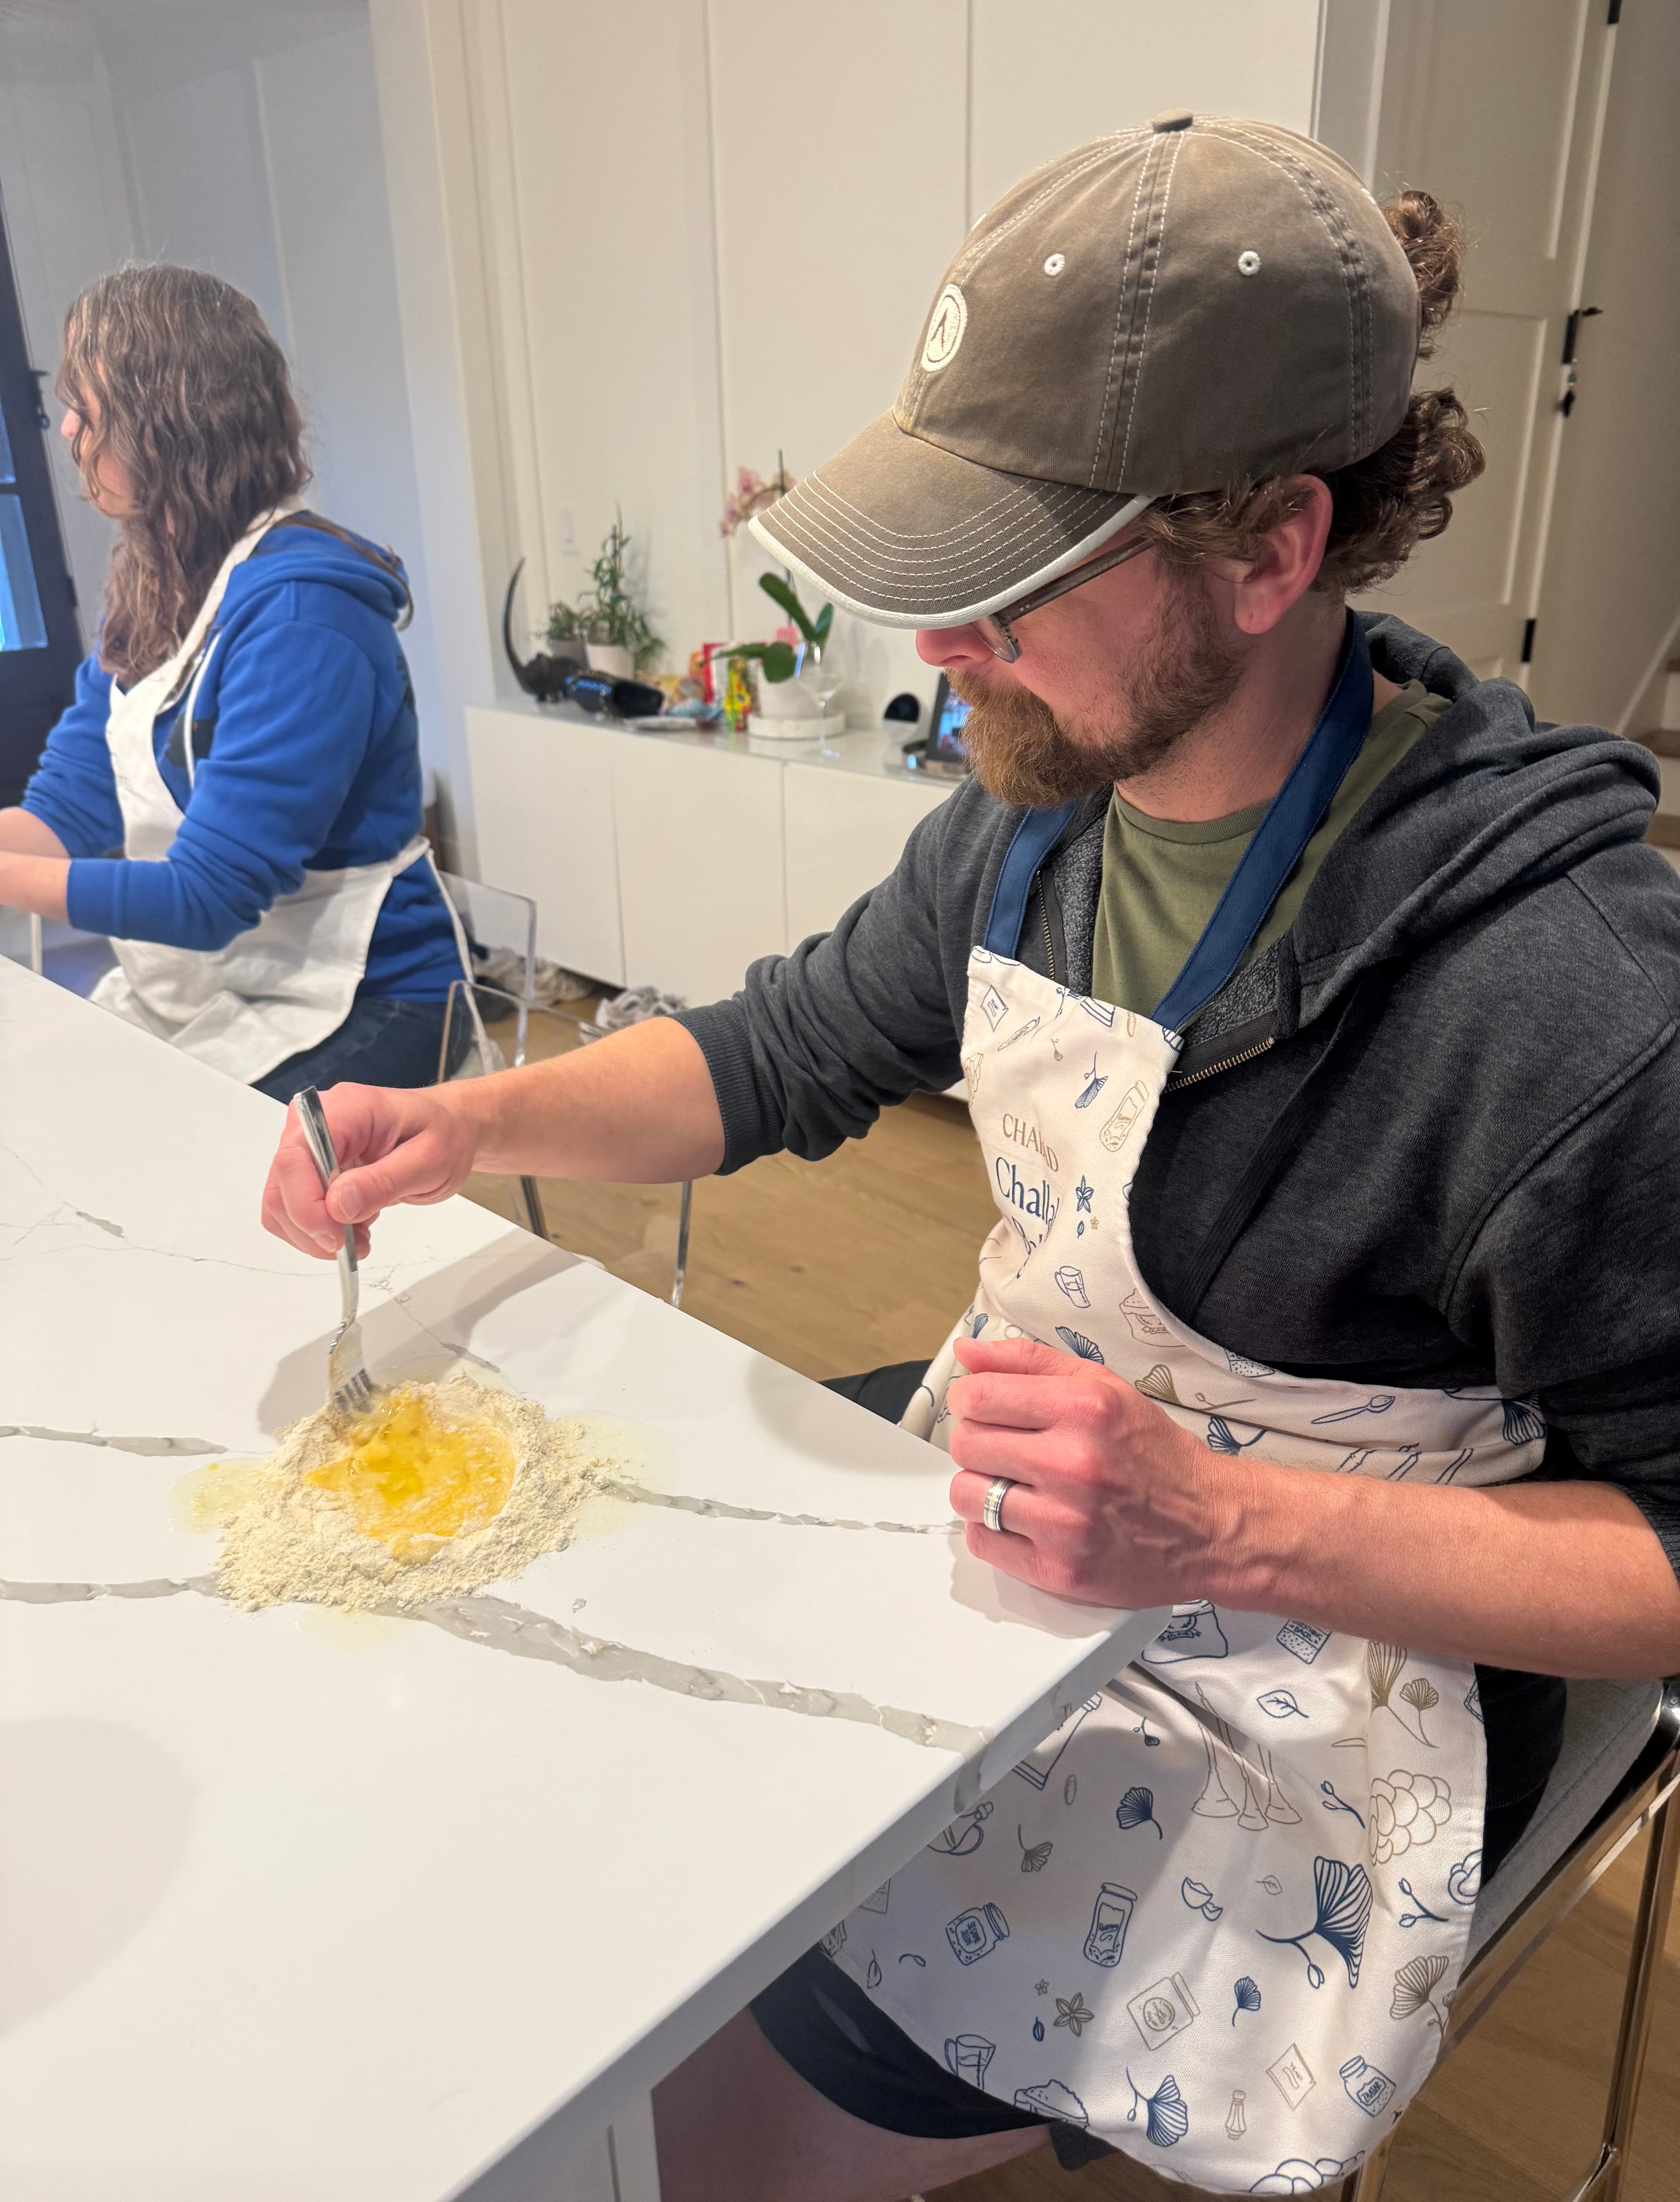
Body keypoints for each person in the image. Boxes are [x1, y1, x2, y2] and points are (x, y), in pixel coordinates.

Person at [260, 116, 1680, 2200]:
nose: (943, 650)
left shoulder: (1561, 993)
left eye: (1011, 587)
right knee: (579, 1720)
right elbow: (782, 1051)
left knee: (710, 2075)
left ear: (1271, 551)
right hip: (1063, 1496)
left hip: (1353, 1667)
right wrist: (464, 1120)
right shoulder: (1035, 819)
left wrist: (1218, 1520)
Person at [0, 265, 467, 1099]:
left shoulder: (303, 618)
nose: (67, 427)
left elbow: (205, 897)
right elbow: (66, 816)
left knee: (176, 1182)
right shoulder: (153, 587)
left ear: (166, 424)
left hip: (374, 999)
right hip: (227, 982)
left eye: (88, 407)